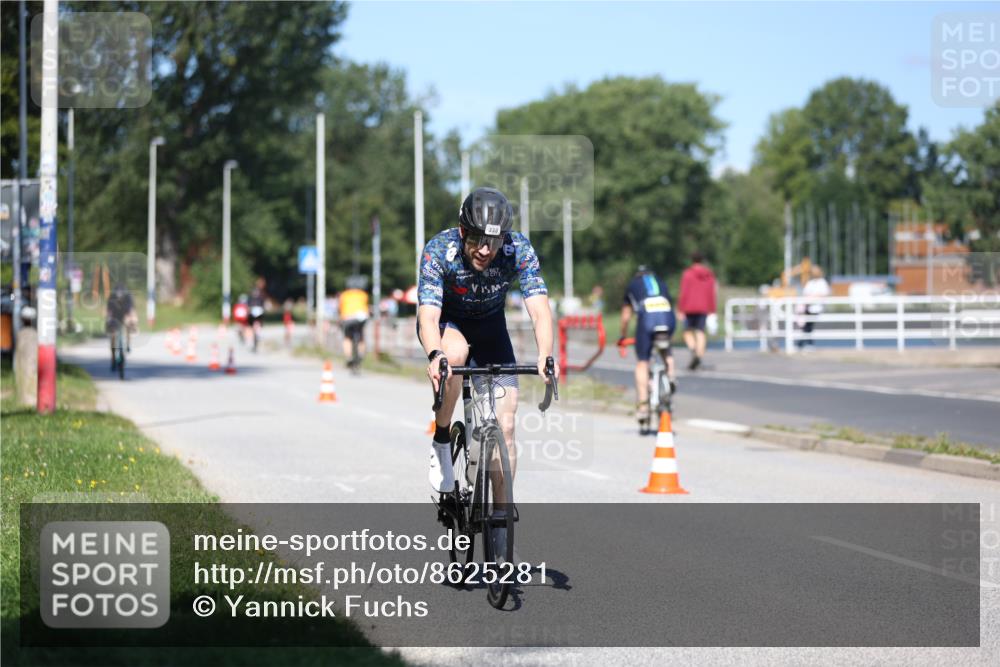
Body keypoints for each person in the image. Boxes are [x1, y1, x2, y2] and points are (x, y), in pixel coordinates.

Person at [417, 188, 557, 523]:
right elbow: (428, 316)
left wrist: (545, 355)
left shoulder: (518, 248)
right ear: (463, 232)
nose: (485, 250)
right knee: (454, 355)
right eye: (477, 240)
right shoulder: (440, 250)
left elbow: (539, 310)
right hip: (450, 325)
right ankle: (441, 437)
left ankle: (501, 518)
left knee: (506, 426)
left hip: (491, 328)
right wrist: (435, 354)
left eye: (493, 242)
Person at [618, 266, 676, 423]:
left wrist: (622, 336)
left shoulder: (633, 285)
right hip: (667, 317)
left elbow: (625, 316)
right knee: (666, 351)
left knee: (642, 362)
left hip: (647, 319)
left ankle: (643, 407)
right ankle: (671, 376)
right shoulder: (660, 281)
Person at [677, 250, 717, 371]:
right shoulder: (709, 275)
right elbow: (712, 293)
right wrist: (712, 309)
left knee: (687, 331)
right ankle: (699, 355)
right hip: (703, 307)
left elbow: (684, 292)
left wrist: (680, 309)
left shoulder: (687, 274)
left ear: (692, 260)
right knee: (700, 332)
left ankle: (693, 348)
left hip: (689, 307)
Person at [105, 283, 137, 370]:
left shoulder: (128, 298)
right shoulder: (112, 297)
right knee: (113, 336)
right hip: (115, 316)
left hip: (124, 316)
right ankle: (113, 359)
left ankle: (128, 345)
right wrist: (108, 319)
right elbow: (109, 312)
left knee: (130, 324)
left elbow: (131, 310)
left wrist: (132, 319)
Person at [338, 284, 370, 369]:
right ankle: (361, 355)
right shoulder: (363, 294)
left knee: (347, 338)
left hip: (348, 317)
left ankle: (349, 357)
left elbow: (340, 307)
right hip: (361, 318)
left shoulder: (344, 295)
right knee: (361, 336)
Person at [798, 265, 831, 349]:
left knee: (808, 325)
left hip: (816, 308)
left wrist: (813, 297)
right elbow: (805, 293)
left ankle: (805, 343)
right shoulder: (810, 283)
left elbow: (824, 294)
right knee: (806, 326)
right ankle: (805, 343)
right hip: (807, 307)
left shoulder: (822, 282)